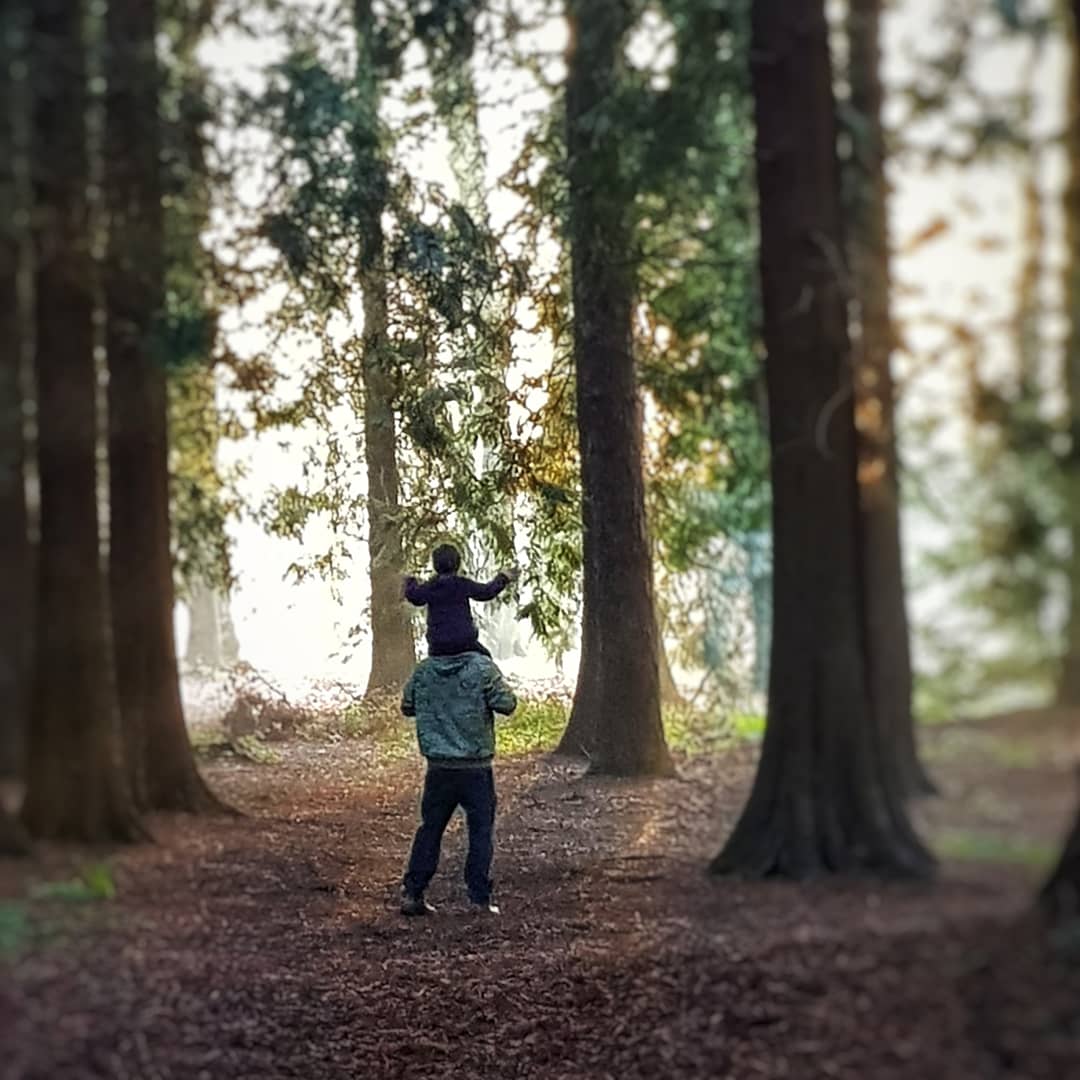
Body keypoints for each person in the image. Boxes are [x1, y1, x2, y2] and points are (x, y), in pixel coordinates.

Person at [399, 650, 518, 917]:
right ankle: (479, 899)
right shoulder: (482, 668)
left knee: (430, 829)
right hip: (476, 768)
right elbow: (507, 703)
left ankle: (413, 893)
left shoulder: (424, 670)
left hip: (439, 768)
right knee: (480, 832)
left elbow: (407, 706)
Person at [403, 543, 517, 658]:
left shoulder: (431, 587)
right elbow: (486, 592)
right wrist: (503, 577)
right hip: (465, 643)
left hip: (438, 646)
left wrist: (410, 581)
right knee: (485, 656)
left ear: (435, 565)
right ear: (458, 564)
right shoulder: (463, 584)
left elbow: (415, 597)